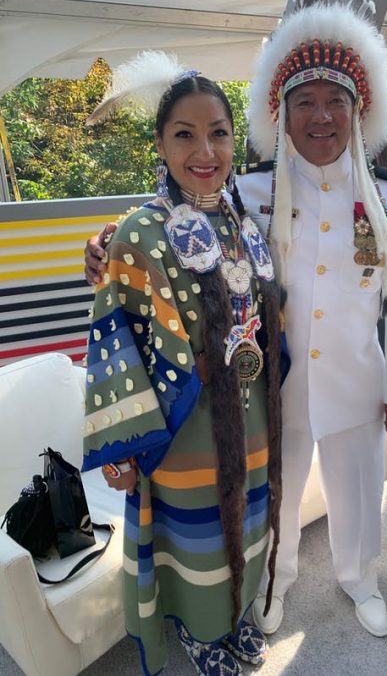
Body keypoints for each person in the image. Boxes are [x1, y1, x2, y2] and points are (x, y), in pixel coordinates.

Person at [85, 0, 387, 642]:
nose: (320, 115)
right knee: (277, 503)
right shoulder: (250, 191)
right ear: (282, 113)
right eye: (304, 101)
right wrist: (108, 244)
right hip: (271, 389)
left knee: (358, 497)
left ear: (357, 110)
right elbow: (177, 219)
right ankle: (276, 584)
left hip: (358, 378)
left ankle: (360, 580)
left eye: (335, 100)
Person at [82, 51, 284, 676]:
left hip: (249, 422)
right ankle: (201, 633)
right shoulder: (141, 231)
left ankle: (235, 617)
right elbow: (115, 338)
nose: (206, 150)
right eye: (185, 135)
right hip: (183, 428)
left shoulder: (245, 223)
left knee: (248, 522)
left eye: (218, 133)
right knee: (195, 534)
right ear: (161, 146)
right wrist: (121, 450)